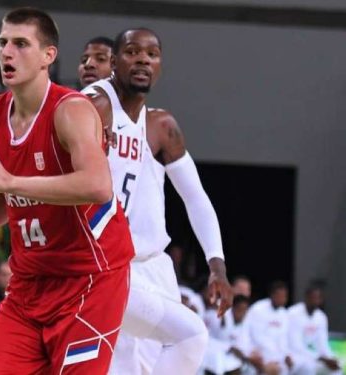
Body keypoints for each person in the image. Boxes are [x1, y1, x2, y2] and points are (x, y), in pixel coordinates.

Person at [0, 8, 134, 374]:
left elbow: (97, 186)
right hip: (29, 282)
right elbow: (8, 201)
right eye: (3, 43)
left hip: (90, 278)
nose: (7, 52)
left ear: (48, 56)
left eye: (20, 44)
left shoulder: (72, 110)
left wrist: (10, 180)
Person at [82, 28, 233, 374]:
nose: (143, 60)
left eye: (151, 54)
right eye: (133, 52)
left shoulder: (160, 125)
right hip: (108, 265)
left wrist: (217, 264)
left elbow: (195, 197)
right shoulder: (95, 106)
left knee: (169, 358)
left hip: (154, 266)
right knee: (181, 340)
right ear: (117, 64)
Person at [287, 285, 342, 375]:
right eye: (313, 298)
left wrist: (330, 358)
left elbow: (322, 344)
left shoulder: (321, 317)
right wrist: (322, 359)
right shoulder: (293, 313)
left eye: (318, 298)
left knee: (336, 368)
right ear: (306, 297)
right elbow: (296, 346)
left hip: (311, 356)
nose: (315, 301)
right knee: (308, 367)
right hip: (292, 355)